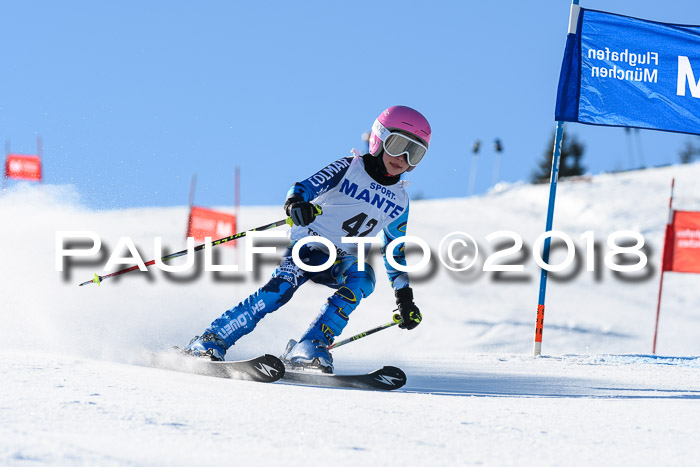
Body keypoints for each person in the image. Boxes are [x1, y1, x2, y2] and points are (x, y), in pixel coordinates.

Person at [184, 105, 431, 373]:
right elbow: (303, 187)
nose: (402, 157)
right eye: (397, 145)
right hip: (309, 247)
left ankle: (311, 345)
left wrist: (404, 299)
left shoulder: (400, 201)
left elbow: (394, 250)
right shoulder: (349, 168)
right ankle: (212, 338)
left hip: (343, 259)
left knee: (363, 277)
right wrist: (296, 204)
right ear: (379, 139)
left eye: (414, 152)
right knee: (279, 291)